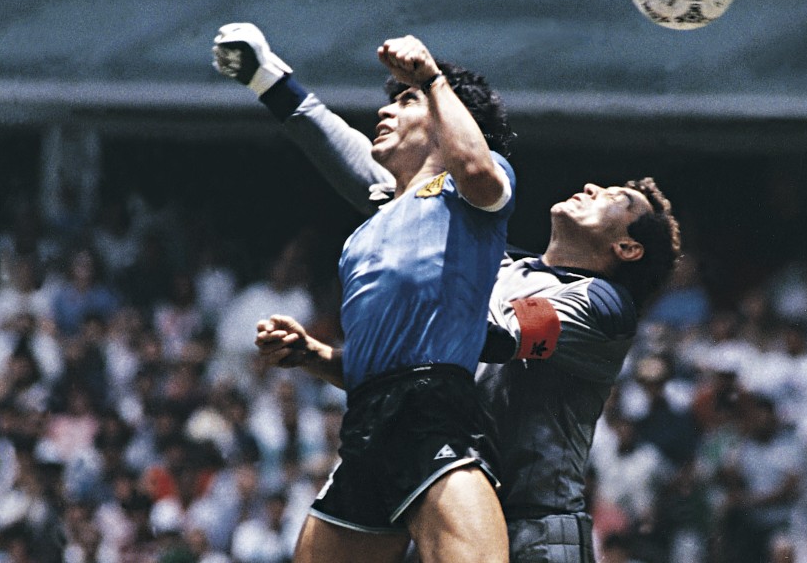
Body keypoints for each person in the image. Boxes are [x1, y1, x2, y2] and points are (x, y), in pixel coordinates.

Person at [242, 48, 681, 561]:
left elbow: (489, 339)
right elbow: (420, 355)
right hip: (445, 490)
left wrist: (421, 230)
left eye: (615, 199)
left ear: (627, 248)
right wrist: (321, 358)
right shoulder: (498, 268)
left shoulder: (603, 306)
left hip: (536, 528)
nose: (591, 187)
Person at [212, 23, 516, 563]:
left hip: (434, 415)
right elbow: (326, 137)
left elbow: (474, 165)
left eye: (405, 101)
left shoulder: (471, 194)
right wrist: (314, 356)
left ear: (448, 122)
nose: (385, 110)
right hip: (366, 423)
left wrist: (433, 78)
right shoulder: (372, 225)